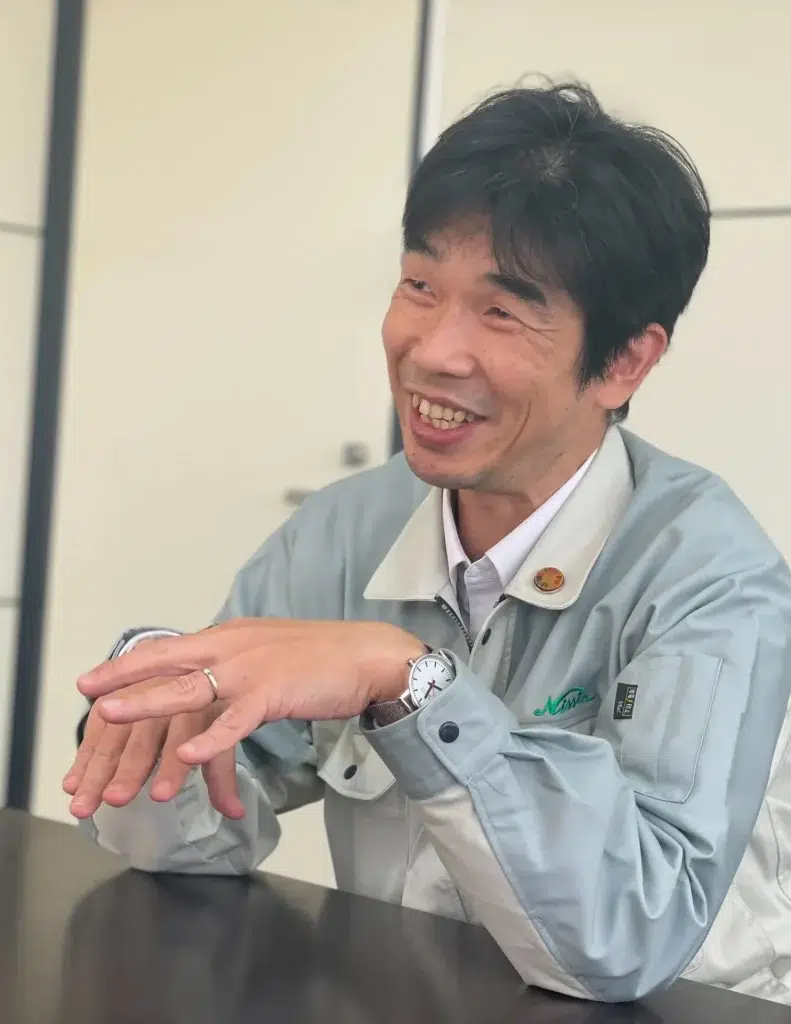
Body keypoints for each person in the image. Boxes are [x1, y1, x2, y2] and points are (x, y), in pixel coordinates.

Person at [65, 82, 791, 1005]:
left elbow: (628, 938)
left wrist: (406, 681)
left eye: (501, 312)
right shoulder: (346, 527)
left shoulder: (711, 580)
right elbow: (197, 834)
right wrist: (149, 706)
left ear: (623, 362)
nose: (432, 351)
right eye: (419, 286)